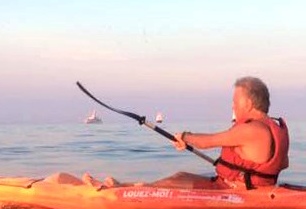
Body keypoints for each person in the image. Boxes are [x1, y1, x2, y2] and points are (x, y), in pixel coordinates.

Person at [49, 76, 289, 190]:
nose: (233, 106)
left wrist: (184, 137)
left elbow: (209, 142)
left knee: (175, 182)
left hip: (238, 193)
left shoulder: (252, 130)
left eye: (235, 101)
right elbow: (281, 164)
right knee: (181, 175)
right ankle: (125, 186)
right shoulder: (274, 128)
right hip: (244, 187)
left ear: (248, 103)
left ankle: (117, 190)